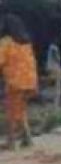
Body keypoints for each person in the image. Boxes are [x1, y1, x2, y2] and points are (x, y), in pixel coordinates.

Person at [0, 14, 39, 148]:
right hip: (30, 81)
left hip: (15, 82)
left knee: (11, 111)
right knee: (20, 109)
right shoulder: (26, 42)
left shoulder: (6, 42)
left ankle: (11, 142)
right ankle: (27, 139)